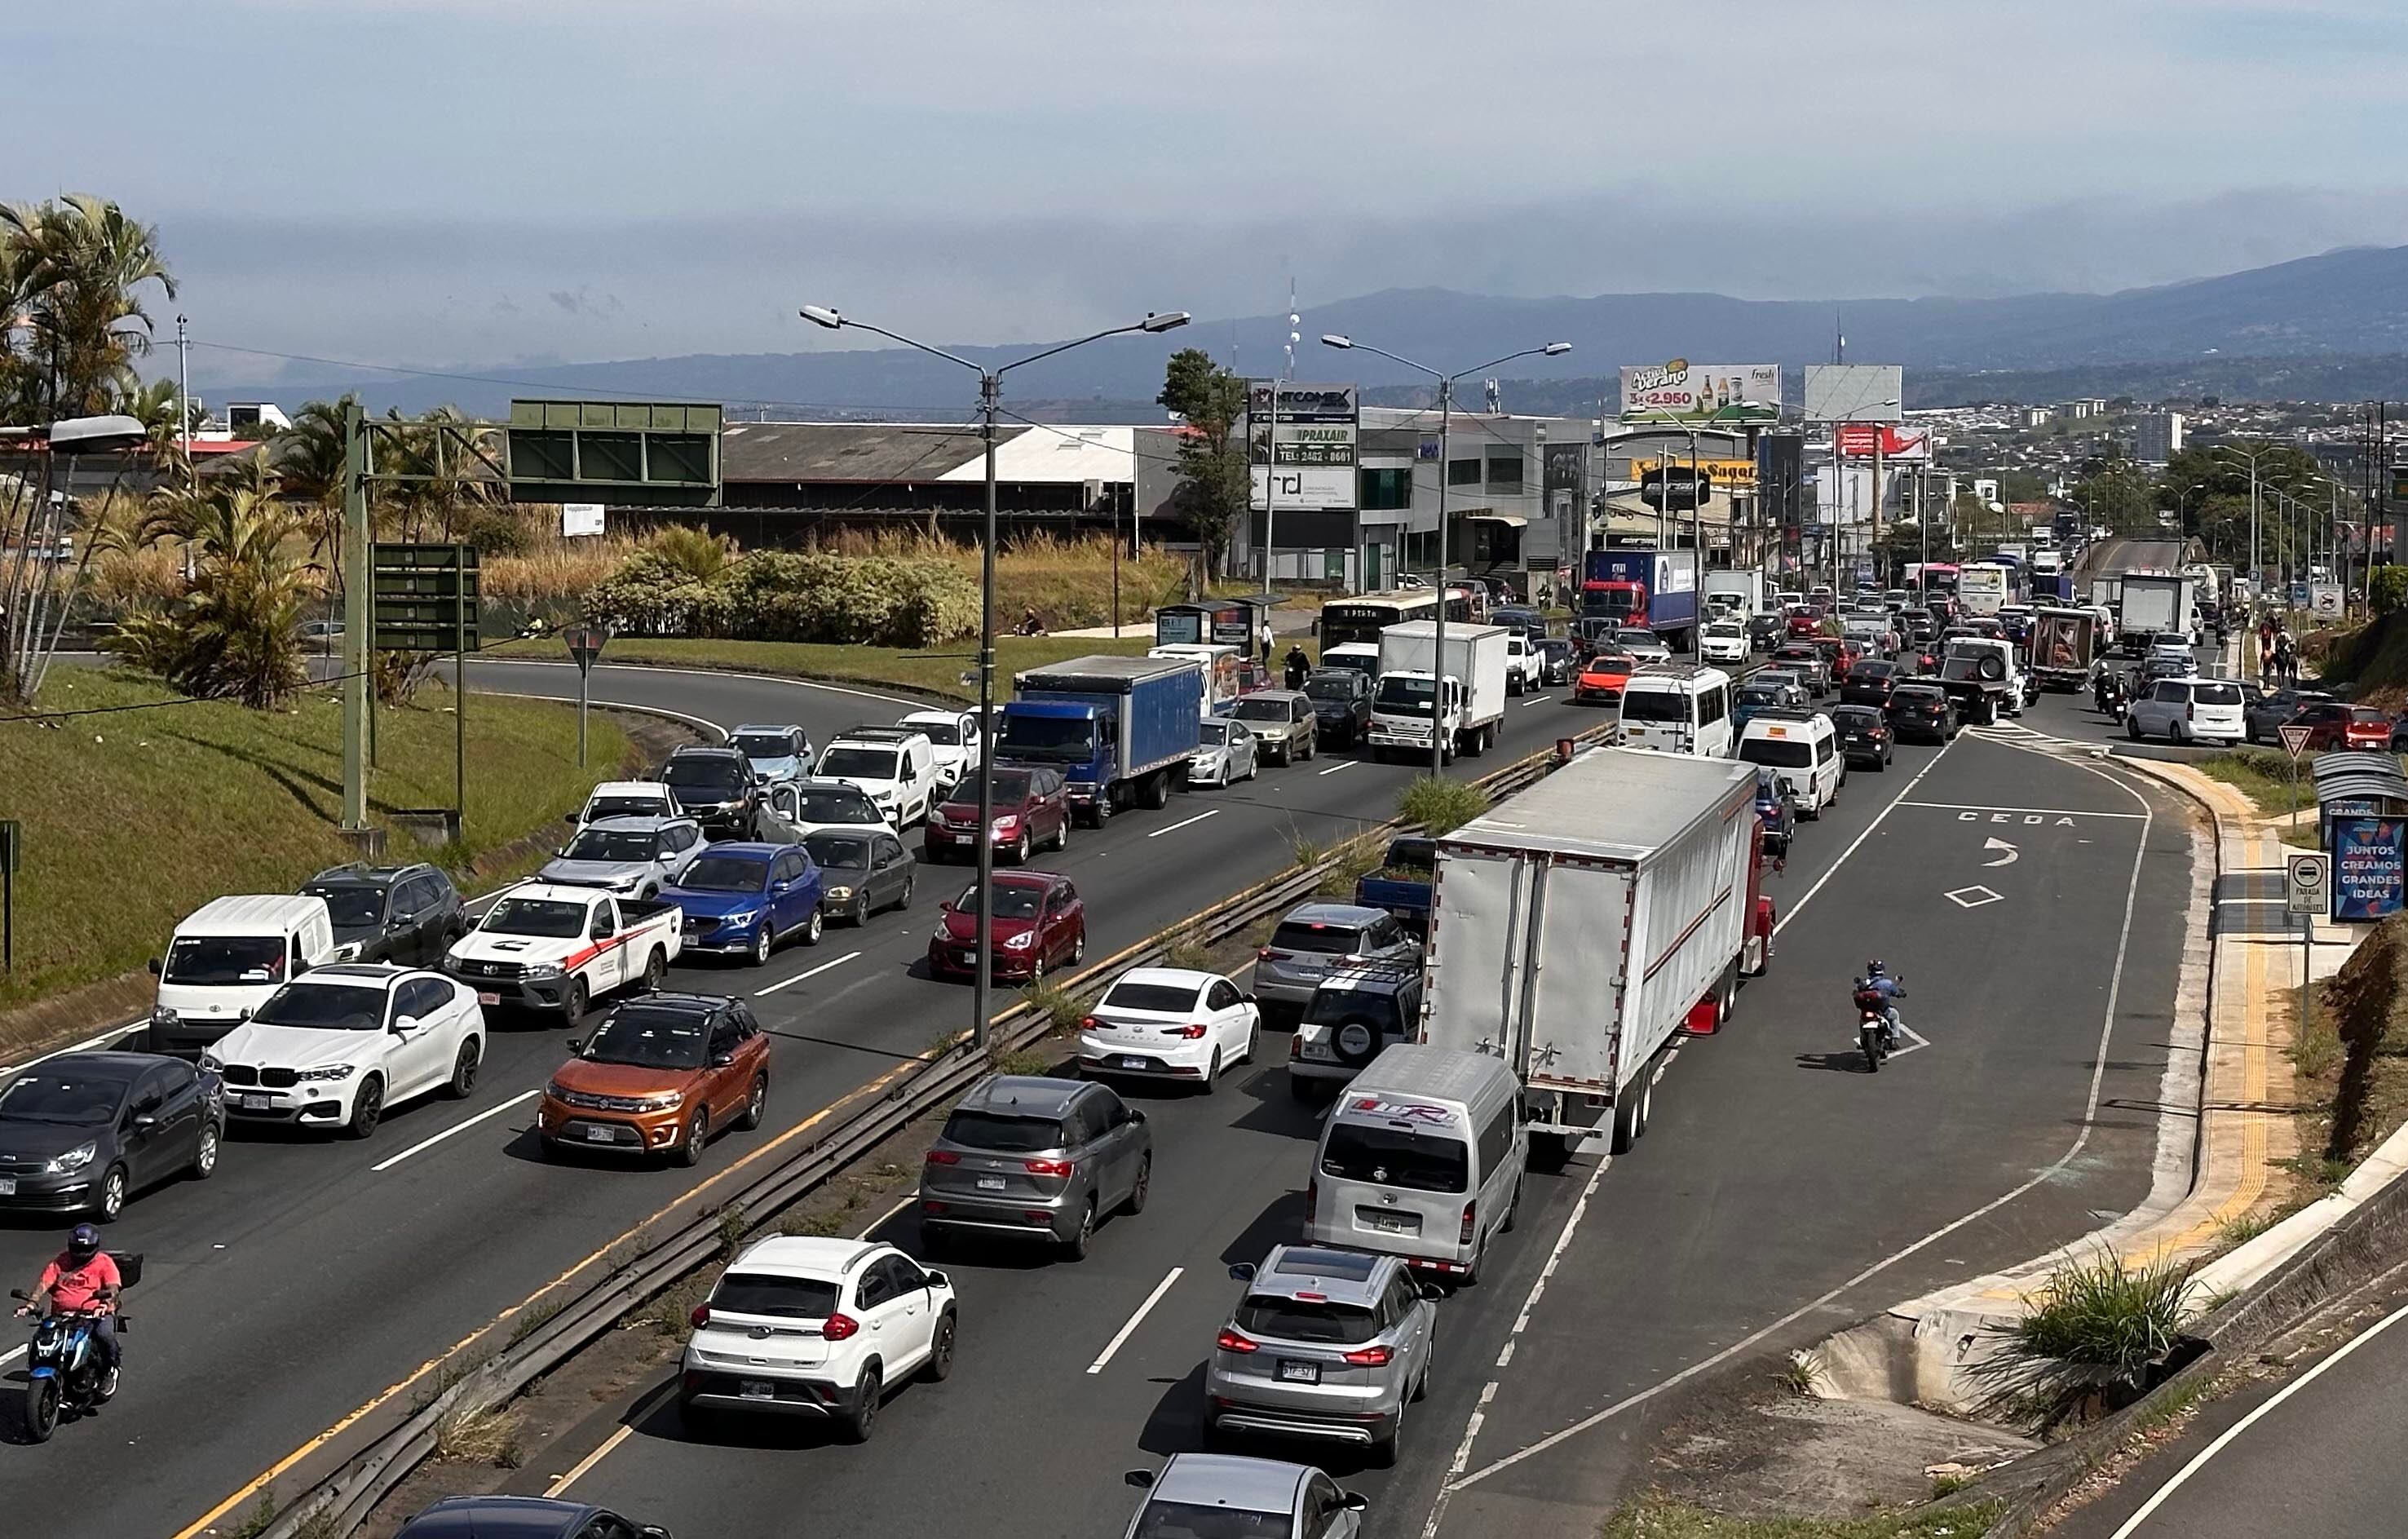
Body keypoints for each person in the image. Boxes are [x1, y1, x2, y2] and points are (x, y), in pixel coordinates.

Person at [15, 1224, 121, 1395]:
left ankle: (111, 1369)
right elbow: (44, 1283)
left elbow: (113, 1288)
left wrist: (105, 1305)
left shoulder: (104, 1262)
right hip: (62, 1316)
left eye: (85, 1248)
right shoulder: (61, 1262)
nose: (80, 1253)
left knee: (104, 1335)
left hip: (94, 1314)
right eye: (77, 1248)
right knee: (43, 1338)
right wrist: (31, 1303)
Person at [1857, 959, 1905, 1051]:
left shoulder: (1864, 982)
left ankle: (1862, 1039)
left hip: (1868, 1010)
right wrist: (1900, 994)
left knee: (1862, 1020)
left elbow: (1858, 990)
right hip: (1883, 1011)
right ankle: (1894, 1040)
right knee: (1895, 1015)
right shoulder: (1887, 983)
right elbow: (1896, 992)